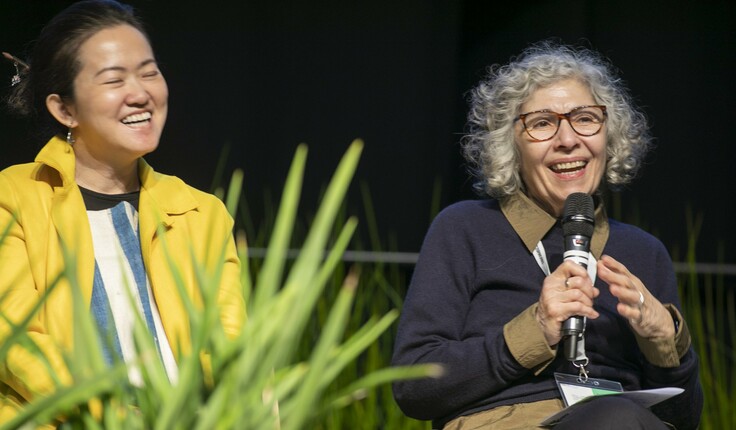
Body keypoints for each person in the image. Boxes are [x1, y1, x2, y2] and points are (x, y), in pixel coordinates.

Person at [391, 41, 703, 429]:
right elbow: (412, 387)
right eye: (542, 123)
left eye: (585, 118)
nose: (568, 139)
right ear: (511, 146)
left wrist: (663, 342)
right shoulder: (464, 228)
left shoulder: (644, 251)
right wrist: (533, 329)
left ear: (609, 136)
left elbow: (682, 419)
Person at [0, 0, 246, 425]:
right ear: (65, 110)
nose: (141, 93)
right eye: (114, 79)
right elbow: (16, 340)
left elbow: (230, 348)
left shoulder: (200, 212)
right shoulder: (14, 198)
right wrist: (113, 414)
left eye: (150, 72)